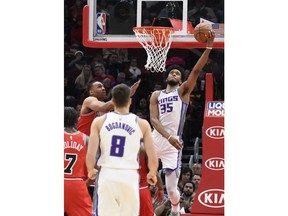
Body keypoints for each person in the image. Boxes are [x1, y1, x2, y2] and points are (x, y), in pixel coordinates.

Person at [149, 30, 215, 216]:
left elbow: (195, 71)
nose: (175, 74)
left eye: (178, 74)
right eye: (172, 72)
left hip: (173, 145)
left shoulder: (183, 92)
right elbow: (153, 119)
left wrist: (208, 47)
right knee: (135, 165)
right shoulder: (156, 95)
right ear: (167, 77)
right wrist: (167, 136)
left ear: (180, 80)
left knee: (171, 189)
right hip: (157, 138)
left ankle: (176, 209)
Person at [86, 84, 159, 216]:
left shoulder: (99, 121)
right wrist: (152, 172)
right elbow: (152, 154)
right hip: (129, 175)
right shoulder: (142, 123)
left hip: (107, 174)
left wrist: (91, 169)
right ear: (130, 101)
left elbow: (91, 152)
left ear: (112, 101)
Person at [64, 106, 92, 216]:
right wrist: (87, 183)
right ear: (77, 120)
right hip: (77, 183)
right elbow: (96, 166)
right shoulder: (86, 138)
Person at [139, 144, 164, 216]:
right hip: (141, 189)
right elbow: (153, 172)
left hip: (120, 190)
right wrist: (160, 188)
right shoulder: (142, 148)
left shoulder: (110, 147)